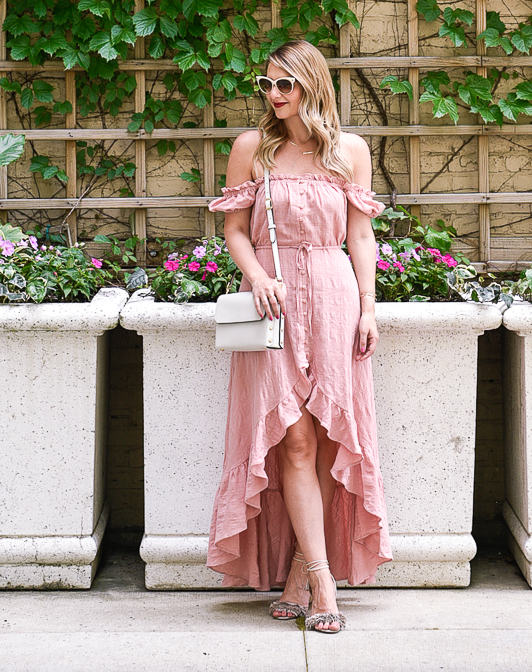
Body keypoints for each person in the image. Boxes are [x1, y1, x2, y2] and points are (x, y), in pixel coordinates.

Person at [207, 38, 392, 633]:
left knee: (332, 439)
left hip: (335, 299)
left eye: (284, 84)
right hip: (276, 303)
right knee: (294, 444)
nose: (273, 96)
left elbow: (360, 237)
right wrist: (256, 274)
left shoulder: (351, 152)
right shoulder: (252, 149)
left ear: (312, 85)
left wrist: (368, 307)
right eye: (266, 85)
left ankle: (296, 575)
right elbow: (235, 230)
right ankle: (323, 584)